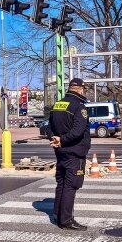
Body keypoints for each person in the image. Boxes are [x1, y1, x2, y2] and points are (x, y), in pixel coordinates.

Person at [47, 78, 91, 230]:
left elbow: (49, 127)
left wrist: (55, 138)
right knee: (71, 185)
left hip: (60, 152)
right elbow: (78, 131)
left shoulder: (57, 105)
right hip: (74, 152)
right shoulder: (79, 106)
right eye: (83, 89)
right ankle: (66, 220)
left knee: (62, 183)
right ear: (80, 89)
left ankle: (57, 215)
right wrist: (63, 140)